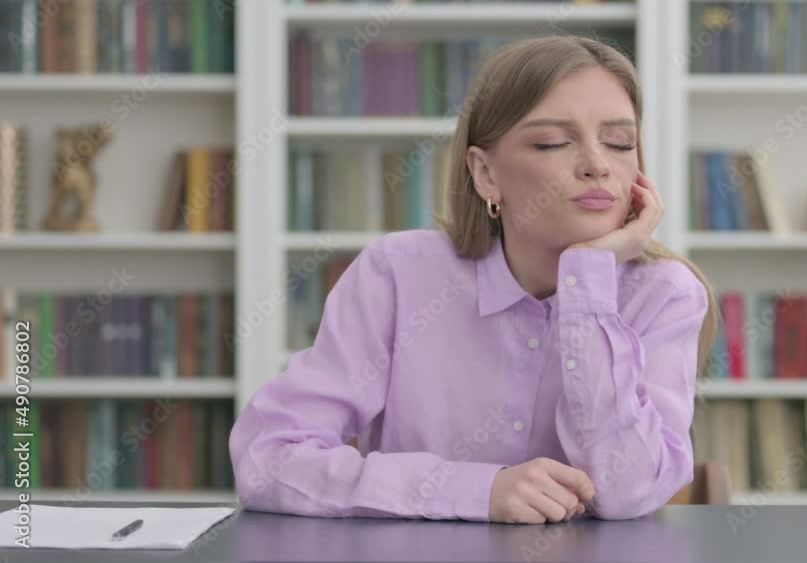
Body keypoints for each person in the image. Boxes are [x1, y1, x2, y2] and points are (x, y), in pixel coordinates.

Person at [229, 35, 718, 524]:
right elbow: (267, 459)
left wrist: (589, 281)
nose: (597, 164)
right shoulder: (398, 273)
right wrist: (472, 491)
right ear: (485, 174)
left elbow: (627, 492)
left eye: (619, 142)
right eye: (553, 142)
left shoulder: (666, 293)